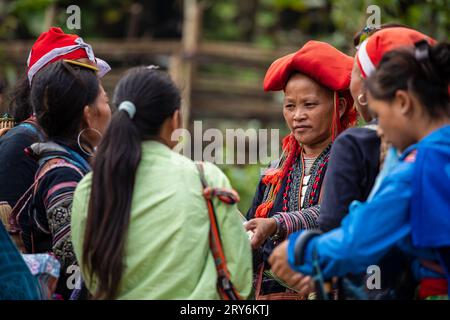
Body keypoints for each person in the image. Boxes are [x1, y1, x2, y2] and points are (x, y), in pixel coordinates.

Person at [270, 41, 450, 300]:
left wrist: (297, 251)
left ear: (402, 102)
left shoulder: (415, 171)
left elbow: (357, 242)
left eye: (379, 114)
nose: (380, 128)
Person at [71, 66, 252, 300]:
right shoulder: (205, 178)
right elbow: (239, 276)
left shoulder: (89, 188)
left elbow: (93, 279)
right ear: (175, 120)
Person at [244, 40, 356, 299]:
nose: (297, 116)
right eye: (290, 106)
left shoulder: (353, 160)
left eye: (310, 105)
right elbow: (254, 233)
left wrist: (276, 224)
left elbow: (333, 213)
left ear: (339, 106)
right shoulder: (275, 171)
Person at [14, 59, 111, 299]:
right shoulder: (63, 174)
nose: (111, 110)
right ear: (88, 115)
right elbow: (73, 255)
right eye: (107, 102)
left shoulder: (70, 164)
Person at [0, 27, 110, 210]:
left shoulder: (79, 143)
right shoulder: (19, 142)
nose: (96, 89)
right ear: (54, 85)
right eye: (85, 78)